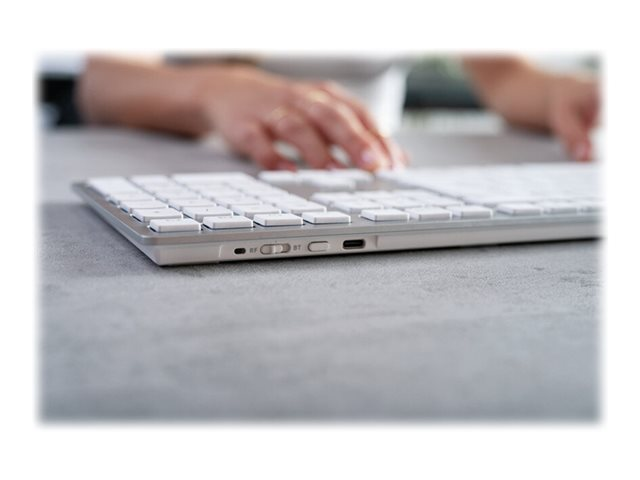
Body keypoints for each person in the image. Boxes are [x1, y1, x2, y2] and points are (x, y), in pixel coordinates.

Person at [77, 55, 599, 171]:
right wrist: (213, 89)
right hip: (192, 159)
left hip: (373, 171)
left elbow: (503, 76)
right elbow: (101, 82)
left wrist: (560, 90)